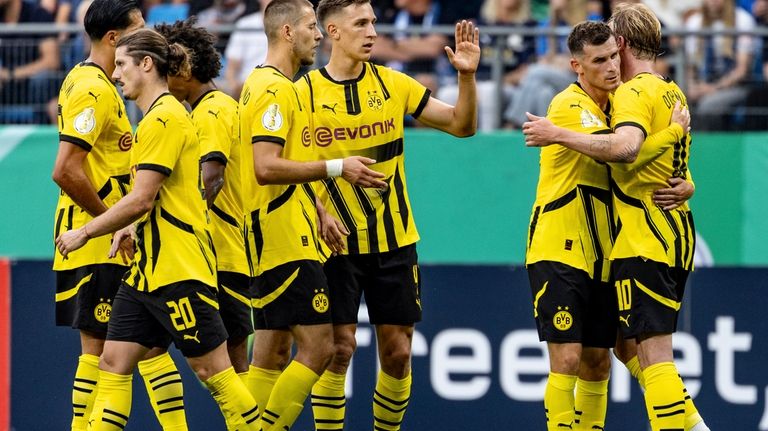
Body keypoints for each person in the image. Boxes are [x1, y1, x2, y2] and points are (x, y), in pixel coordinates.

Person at [55, 28, 260, 430]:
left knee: (214, 373)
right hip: (146, 275)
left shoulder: (165, 117)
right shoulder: (155, 119)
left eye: (122, 65)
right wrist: (128, 228)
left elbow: (143, 198)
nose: (115, 75)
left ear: (146, 65)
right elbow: (150, 201)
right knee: (112, 363)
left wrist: (87, 231)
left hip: (178, 271)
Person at [523, 3, 709, 430]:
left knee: (604, 360)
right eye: (599, 60)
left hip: (609, 250)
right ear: (577, 67)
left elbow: (628, 152)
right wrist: (558, 131)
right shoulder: (570, 104)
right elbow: (618, 151)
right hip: (561, 245)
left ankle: (693, 425)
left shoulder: (626, 102)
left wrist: (687, 180)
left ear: (622, 46)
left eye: (612, 57)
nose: (610, 67)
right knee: (572, 358)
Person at [295, 1, 479, 429]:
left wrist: (466, 77)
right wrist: (320, 211)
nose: (373, 31)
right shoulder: (303, 94)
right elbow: (282, 165)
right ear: (334, 32)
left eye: (374, 22)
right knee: (338, 349)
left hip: (394, 240)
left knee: (397, 353)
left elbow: (462, 126)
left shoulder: (395, 84)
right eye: (361, 23)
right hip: (332, 242)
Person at [238, 0, 389, 428]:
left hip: (286, 230)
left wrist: (320, 208)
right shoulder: (273, 90)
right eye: (310, 26)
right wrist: (339, 167)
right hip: (283, 238)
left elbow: (290, 160)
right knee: (322, 349)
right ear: (287, 33)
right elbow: (266, 167)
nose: (318, 34)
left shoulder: (276, 85)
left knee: (270, 352)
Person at [50, 2, 191, 430]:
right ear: (114, 38)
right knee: (103, 353)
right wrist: (114, 220)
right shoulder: (93, 88)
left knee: (143, 347)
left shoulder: (94, 81)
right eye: (138, 27)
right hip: (97, 242)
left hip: (102, 237)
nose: (148, 32)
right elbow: (65, 169)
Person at [155, 18, 254, 431]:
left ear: (183, 67)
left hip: (221, 252)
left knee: (227, 363)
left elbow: (209, 179)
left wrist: (179, 220)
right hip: (217, 252)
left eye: (164, 66)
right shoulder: (207, 107)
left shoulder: (212, 111)